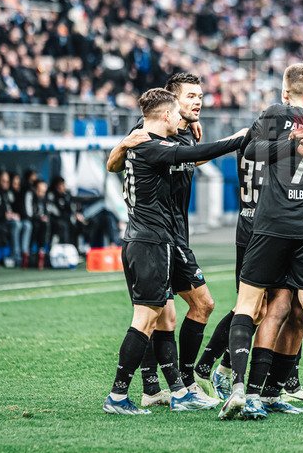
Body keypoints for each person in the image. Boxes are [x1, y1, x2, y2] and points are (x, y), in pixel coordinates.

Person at [220, 62, 303, 421]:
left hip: (271, 225)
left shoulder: (275, 113)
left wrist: (296, 142)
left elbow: (251, 152)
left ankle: (240, 390)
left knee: (249, 304)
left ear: (284, 91)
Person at [102, 88, 245, 415]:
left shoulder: (137, 143)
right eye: (177, 112)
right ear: (166, 114)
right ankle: (118, 396)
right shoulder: (153, 146)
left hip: (141, 240)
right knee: (145, 320)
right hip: (152, 243)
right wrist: (239, 138)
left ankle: (178, 392)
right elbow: (195, 153)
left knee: (164, 317)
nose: (181, 117)